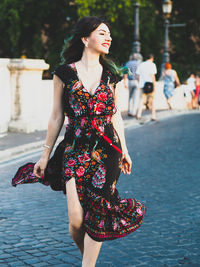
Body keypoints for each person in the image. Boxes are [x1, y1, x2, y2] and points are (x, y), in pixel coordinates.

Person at [12, 17, 146, 267]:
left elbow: (114, 113)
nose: (109, 38)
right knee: (75, 221)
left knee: (98, 213)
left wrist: (125, 150)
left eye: (110, 34)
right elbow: (56, 116)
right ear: (85, 38)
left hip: (109, 151)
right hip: (75, 150)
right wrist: (44, 155)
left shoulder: (112, 76)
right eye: (102, 33)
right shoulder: (64, 73)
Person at [136, 54, 157, 121]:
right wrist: (154, 86)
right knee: (152, 101)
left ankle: (138, 114)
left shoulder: (141, 64)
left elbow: (137, 76)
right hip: (150, 85)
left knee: (141, 101)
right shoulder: (152, 65)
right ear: (152, 58)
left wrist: (140, 82)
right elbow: (153, 76)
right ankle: (153, 116)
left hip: (142, 85)